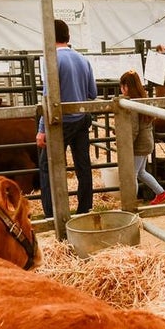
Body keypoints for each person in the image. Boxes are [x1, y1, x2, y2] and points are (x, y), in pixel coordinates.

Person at [37, 19, 97, 217]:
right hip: (81, 119)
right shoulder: (82, 59)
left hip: (60, 123)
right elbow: (93, 93)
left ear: (49, 36)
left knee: (48, 168)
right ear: (67, 36)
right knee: (83, 166)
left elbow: (48, 98)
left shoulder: (51, 60)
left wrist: (41, 129)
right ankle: (85, 209)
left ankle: (51, 213)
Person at [118, 70, 165, 205]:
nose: (121, 89)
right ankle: (161, 193)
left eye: (122, 86)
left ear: (127, 87)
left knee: (132, 175)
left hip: (139, 144)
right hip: (146, 142)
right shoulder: (143, 99)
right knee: (141, 172)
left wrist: (126, 146)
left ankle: (130, 204)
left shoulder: (133, 104)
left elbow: (134, 129)